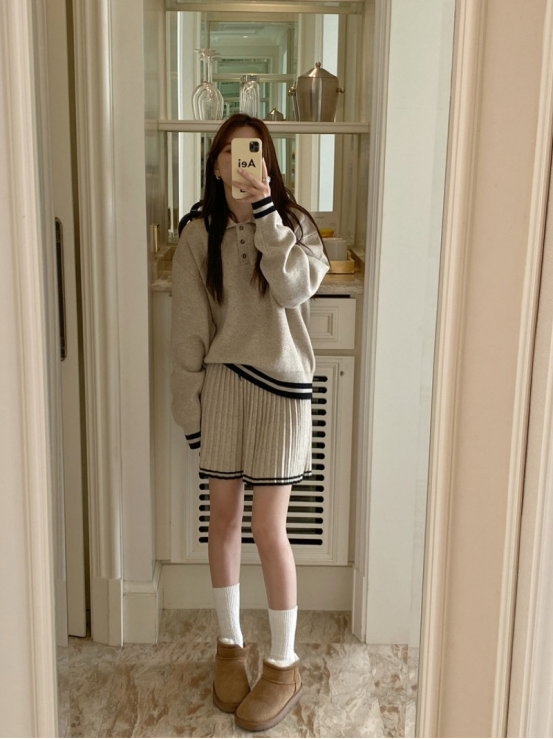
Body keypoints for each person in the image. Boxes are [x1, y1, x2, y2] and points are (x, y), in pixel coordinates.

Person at [170, 113, 330, 732]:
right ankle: (229, 648)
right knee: (224, 522)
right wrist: (190, 410)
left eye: (253, 153)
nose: (241, 163)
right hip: (225, 390)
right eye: (230, 154)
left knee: (269, 529)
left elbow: (292, 290)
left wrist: (266, 214)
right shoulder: (197, 236)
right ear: (215, 165)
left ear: (266, 162)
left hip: (282, 393)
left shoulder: (295, 226)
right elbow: (189, 331)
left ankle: (284, 664)